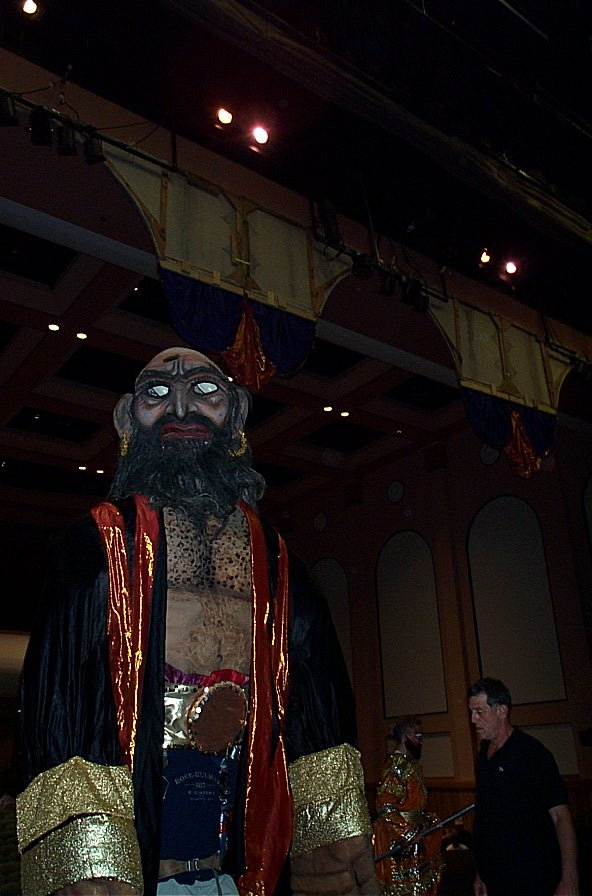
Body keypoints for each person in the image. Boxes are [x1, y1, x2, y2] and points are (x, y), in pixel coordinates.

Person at [16, 347, 379, 896]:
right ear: (126, 417)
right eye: (157, 393)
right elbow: (59, 696)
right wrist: (84, 851)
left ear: (236, 411)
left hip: (242, 832)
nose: (181, 408)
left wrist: (330, 830)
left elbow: (314, 695)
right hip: (136, 835)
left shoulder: (277, 561)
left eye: (204, 390)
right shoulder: (94, 546)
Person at [468, 677, 579, 896]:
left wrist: (570, 877)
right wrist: (480, 872)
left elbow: (560, 816)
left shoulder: (531, 754)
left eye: (480, 712)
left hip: (531, 876)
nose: (473, 719)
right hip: (495, 877)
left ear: (502, 711)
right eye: (471, 712)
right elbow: (484, 818)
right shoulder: (483, 756)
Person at [373, 716, 444, 895]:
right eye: (417, 736)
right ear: (405, 737)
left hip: (417, 840)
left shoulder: (411, 765)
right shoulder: (395, 767)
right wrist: (407, 834)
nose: (421, 741)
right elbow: (386, 808)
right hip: (402, 845)